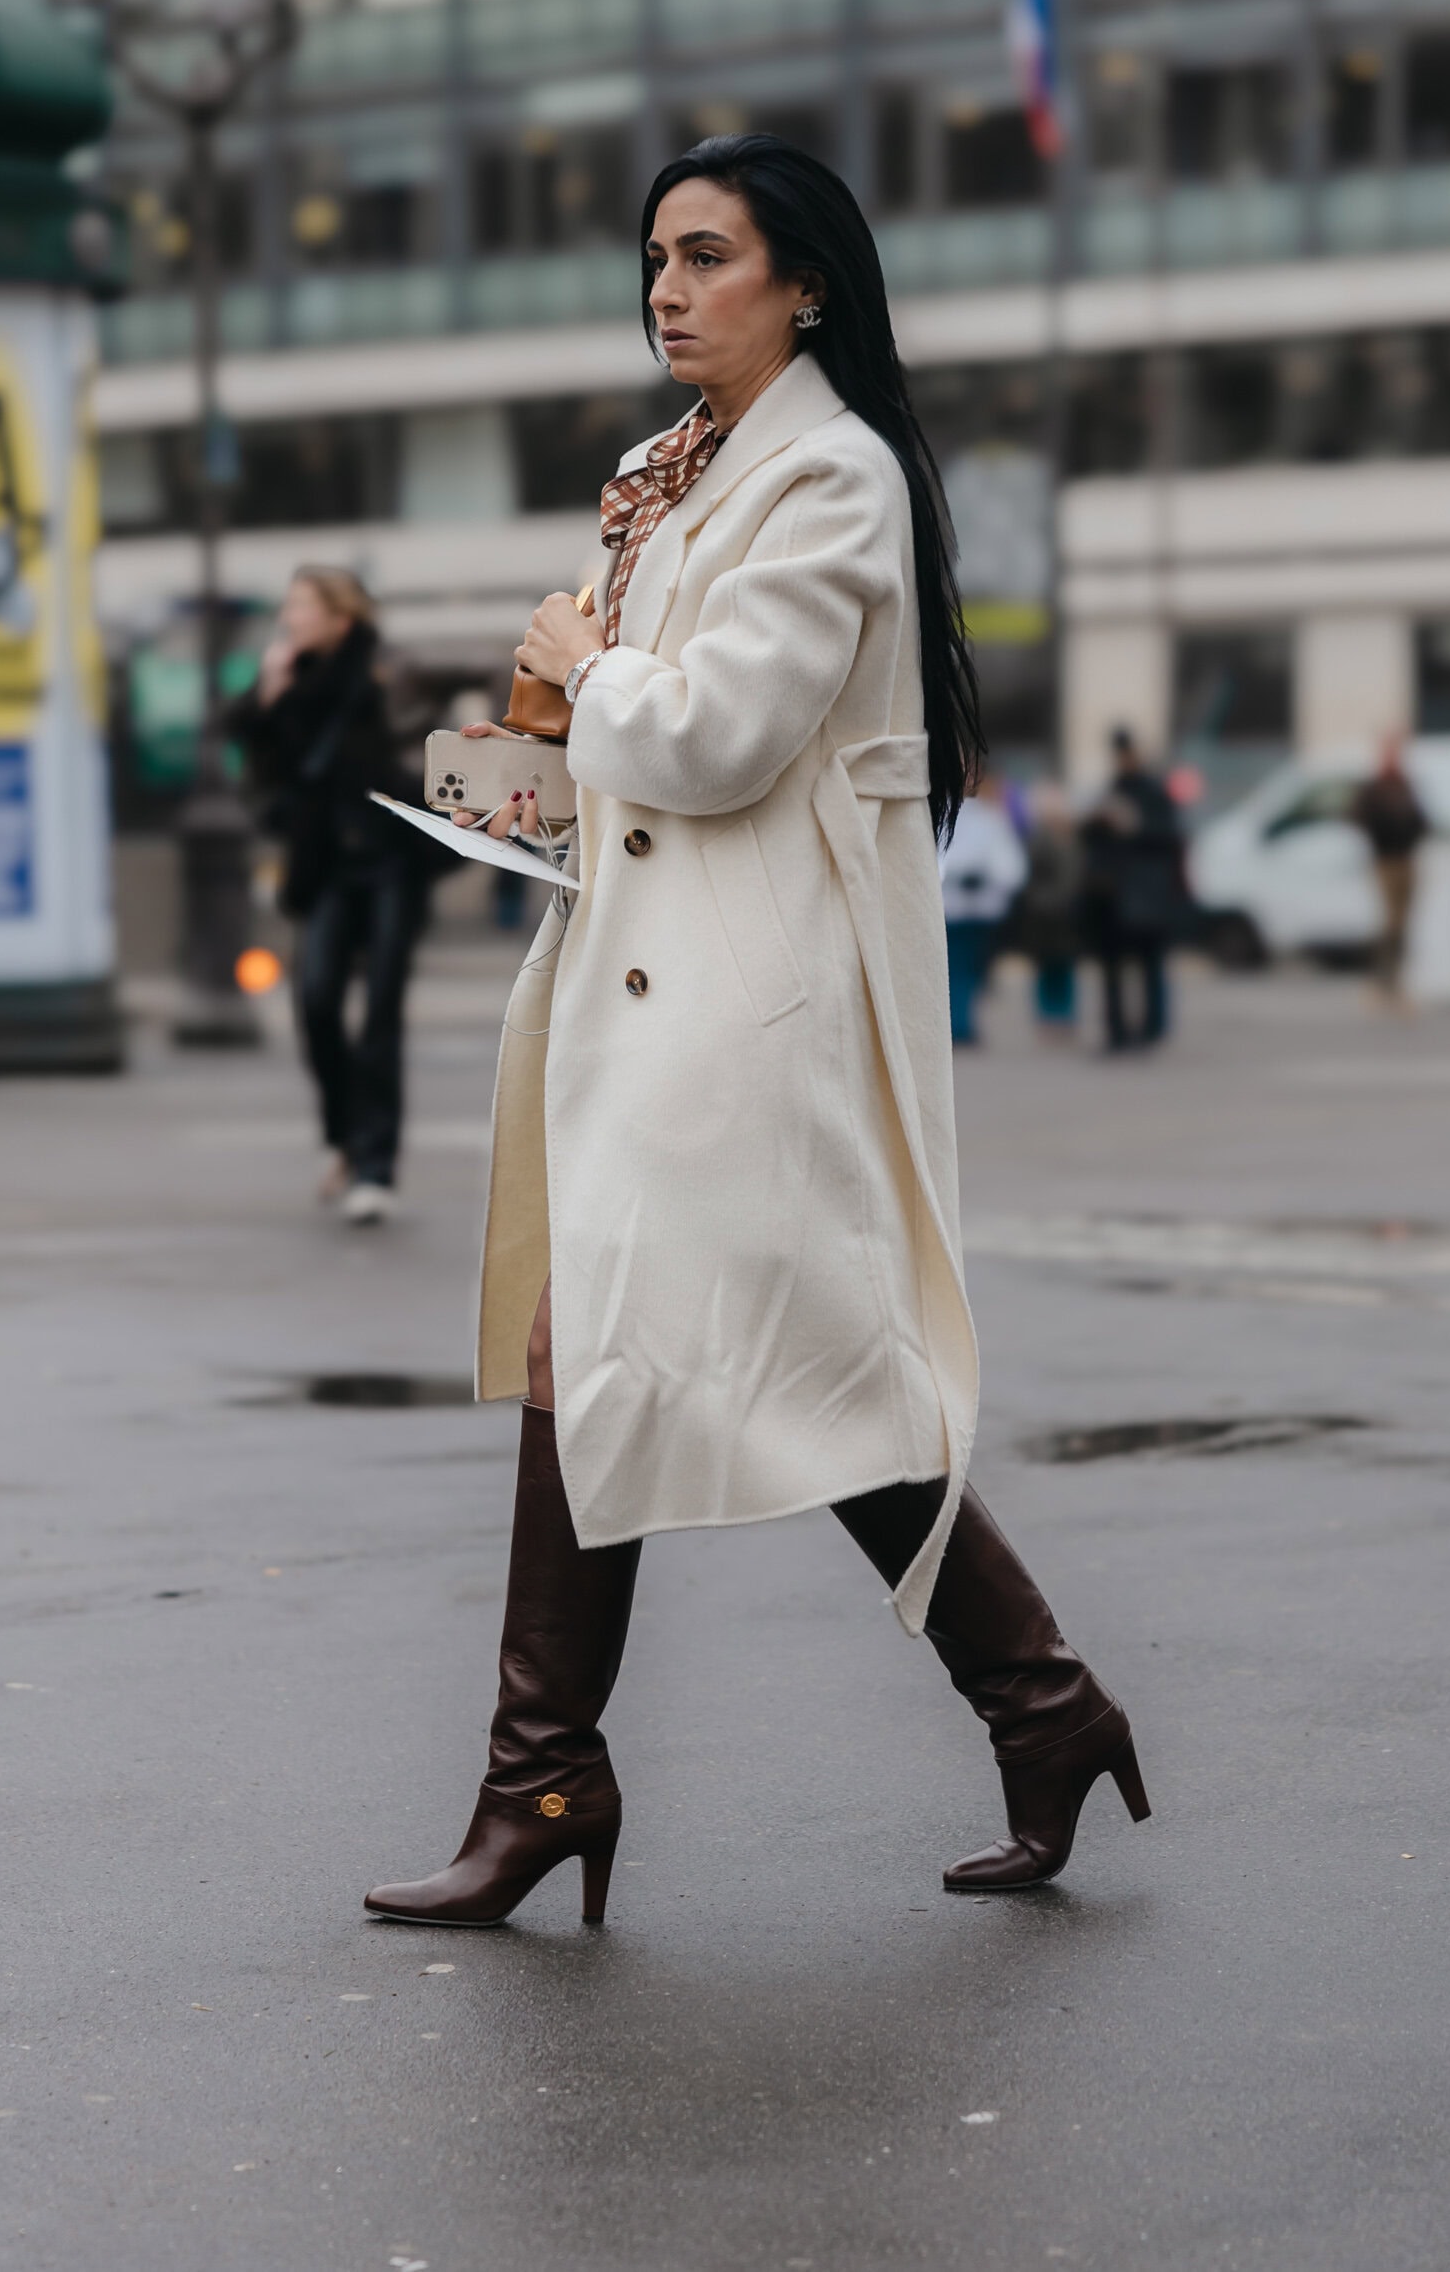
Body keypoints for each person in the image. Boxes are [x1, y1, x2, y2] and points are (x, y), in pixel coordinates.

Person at [364, 135, 1147, 1928]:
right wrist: (503, 754)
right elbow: (602, 743)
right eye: (652, 256)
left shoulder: (834, 480)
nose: (665, 287)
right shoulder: (661, 472)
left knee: (647, 1358)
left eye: (705, 255)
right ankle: (1034, 1706)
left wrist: (589, 654)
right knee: (764, 1376)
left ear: (803, 283)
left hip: (747, 1006)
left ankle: (543, 1775)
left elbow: (716, 737)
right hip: (638, 981)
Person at [229, 566, 430, 1225]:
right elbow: (251, 756)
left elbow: (410, 738)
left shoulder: (382, 671)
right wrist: (270, 694)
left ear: (340, 618)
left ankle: (375, 1168)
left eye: (302, 606)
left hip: (390, 859)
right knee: (315, 1002)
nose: (290, 617)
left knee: (379, 1016)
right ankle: (343, 1138)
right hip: (325, 868)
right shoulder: (286, 680)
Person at [1081, 727, 1187, 1053]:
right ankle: (1117, 1031)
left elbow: (1168, 837)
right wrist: (1098, 822)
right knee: (1112, 966)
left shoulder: (1154, 792)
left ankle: (1152, 1028)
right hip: (1112, 895)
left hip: (1147, 894)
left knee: (1151, 964)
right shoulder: (1112, 789)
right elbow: (1090, 839)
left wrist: (1133, 825)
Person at [937, 772, 1027, 1046]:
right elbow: (1011, 867)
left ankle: (959, 1022)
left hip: (964, 908)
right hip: (964, 908)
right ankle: (960, 1024)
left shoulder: (983, 818)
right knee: (964, 968)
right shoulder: (987, 819)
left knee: (961, 968)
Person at [1350, 740, 1428, 1005]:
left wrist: (1413, 832)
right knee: (1392, 921)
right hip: (1386, 859)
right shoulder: (1375, 787)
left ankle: (1395, 978)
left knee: (1403, 921)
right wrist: (1381, 832)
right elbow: (1357, 817)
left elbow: (1420, 818)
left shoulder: (1404, 784)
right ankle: (1384, 979)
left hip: (1406, 858)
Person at [1017, 781, 1086, 1034]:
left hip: (1068, 913)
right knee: (1046, 966)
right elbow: (1030, 872)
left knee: (1065, 965)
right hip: (1044, 911)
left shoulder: (1074, 836)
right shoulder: (1039, 838)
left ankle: (1065, 1014)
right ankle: (1048, 1014)